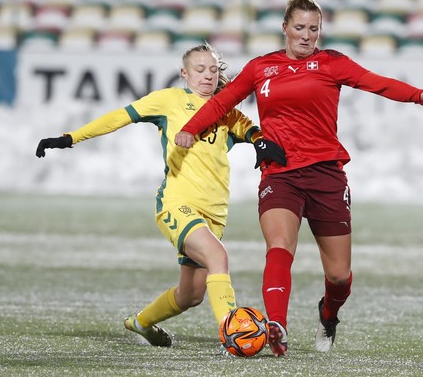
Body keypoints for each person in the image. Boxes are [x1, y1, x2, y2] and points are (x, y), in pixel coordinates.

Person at [174, 0, 423, 357]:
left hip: (327, 175)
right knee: (280, 247)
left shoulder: (332, 62)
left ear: (320, 30)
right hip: (280, 173)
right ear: (285, 27)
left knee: (338, 276)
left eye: (313, 29)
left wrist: (419, 95)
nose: (306, 35)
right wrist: (189, 128)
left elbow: (376, 83)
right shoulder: (260, 67)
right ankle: (277, 327)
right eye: (299, 28)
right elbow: (221, 103)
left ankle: (329, 313)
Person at [35, 43, 286, 350]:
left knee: (191, 295)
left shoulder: (226, 111)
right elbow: (119, 117)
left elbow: (252, 131)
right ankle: (231, 335)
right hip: (177, 204)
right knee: (218, 256)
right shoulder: (169, 101)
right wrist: (70, 137)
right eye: (199, 69)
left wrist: (260, 142)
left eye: (212, 69)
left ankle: (141, 322)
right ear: (184, 73)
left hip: (215, 213)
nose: (207, 76)